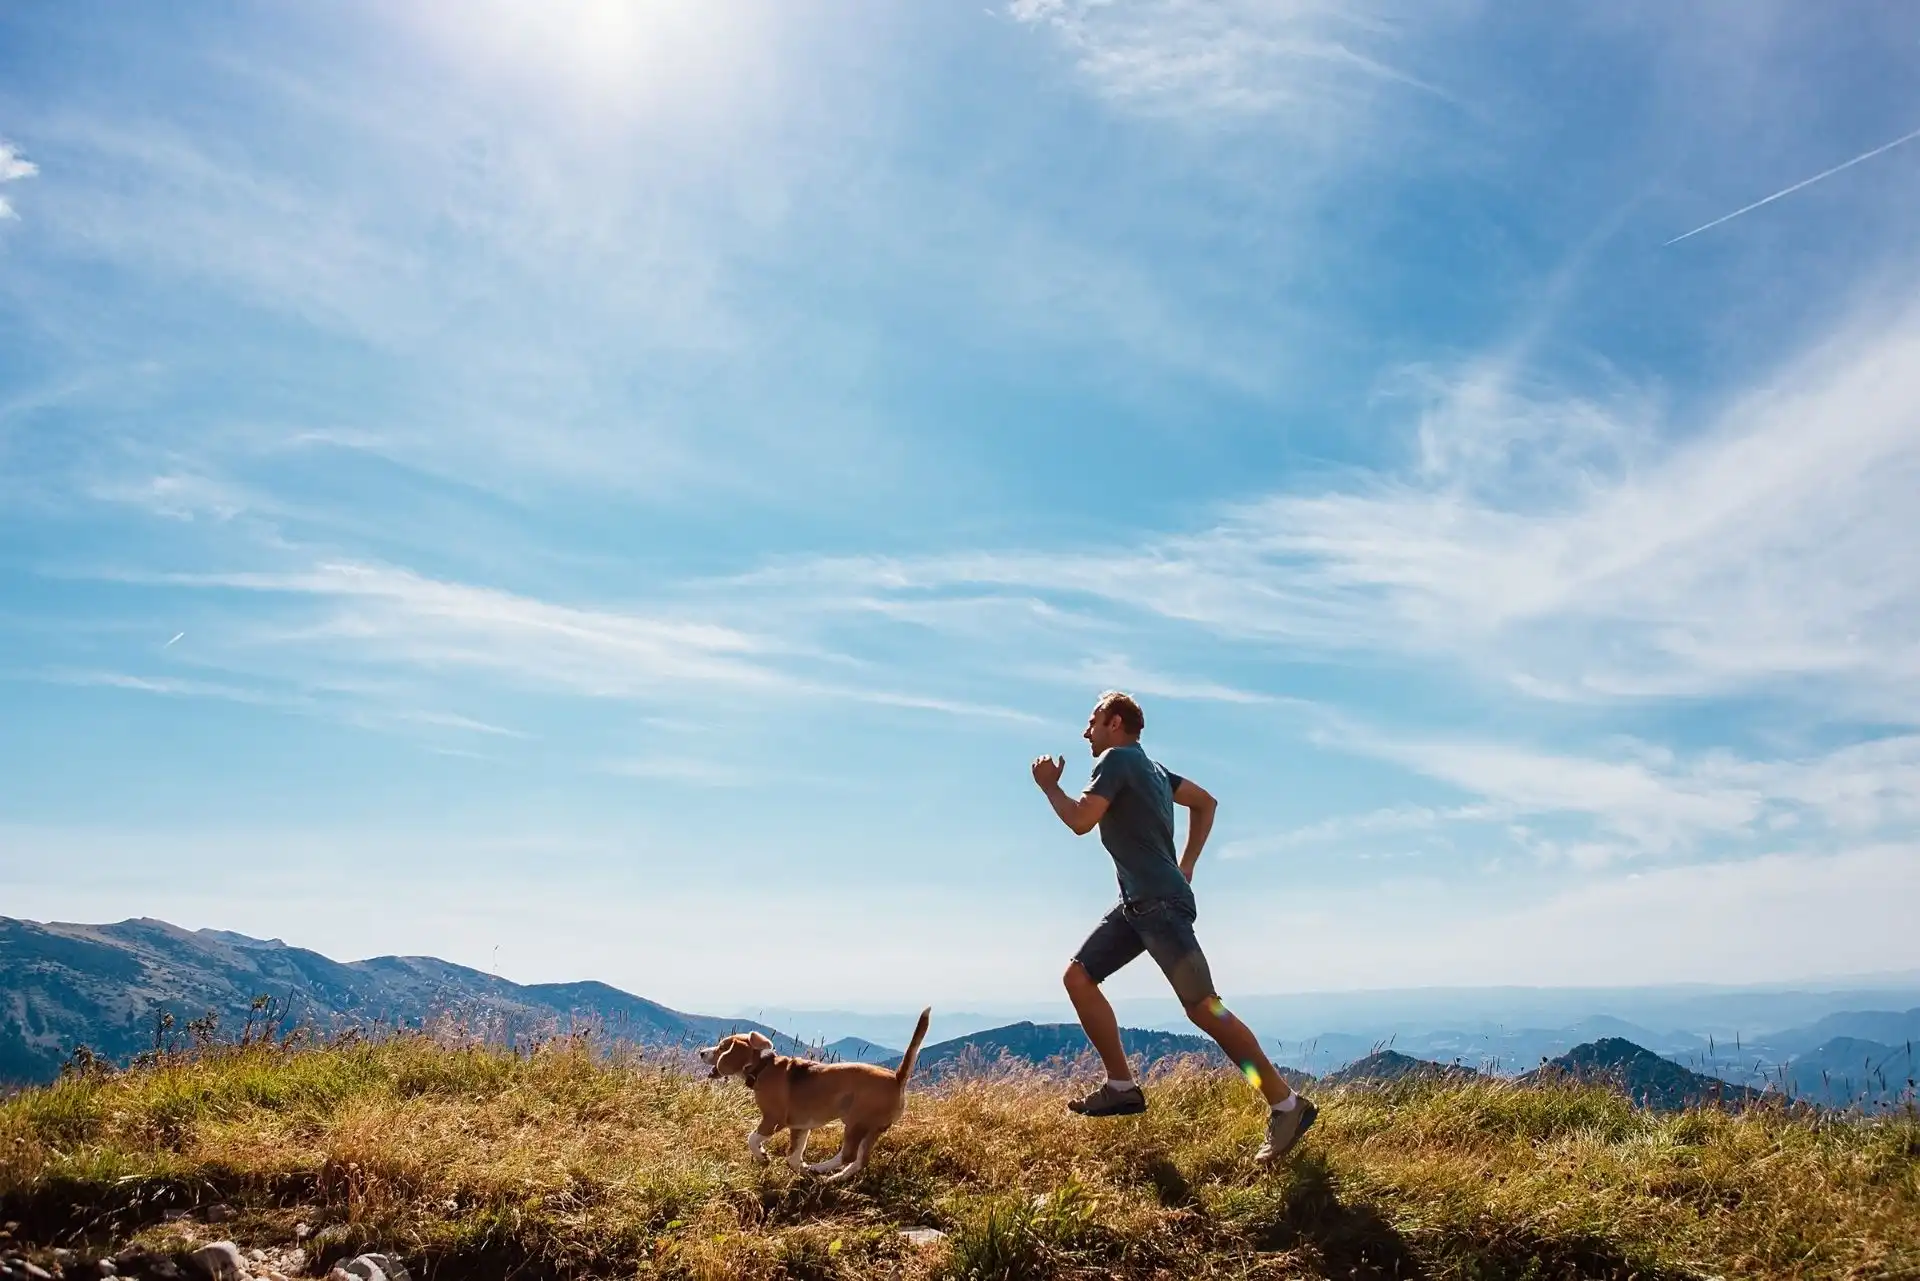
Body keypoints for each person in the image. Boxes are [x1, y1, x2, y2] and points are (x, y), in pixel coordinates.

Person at [1030, 690, 1316, 1164]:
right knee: (1078, 976)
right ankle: (1122, 1085)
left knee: (1205, 1008)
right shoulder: (1156, 771)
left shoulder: (1117, 760)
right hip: (1140, 905)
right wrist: (1186, 865)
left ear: (1115, 723)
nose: (1086, 732)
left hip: (1158, 905)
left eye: (1093, 722)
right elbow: (1206, 802)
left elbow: (1081, 820)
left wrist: (1049, 787)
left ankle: (1286, 1104)